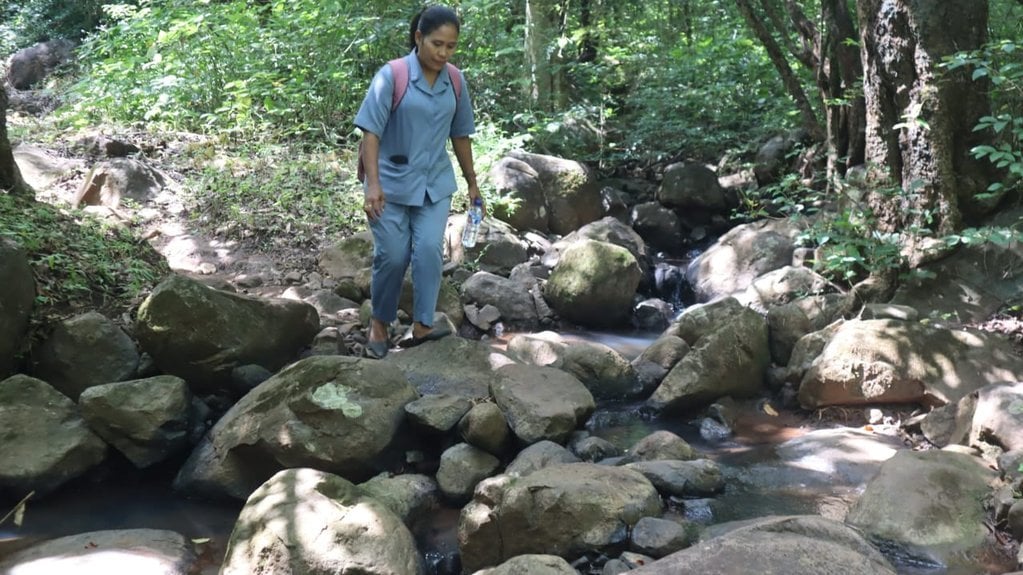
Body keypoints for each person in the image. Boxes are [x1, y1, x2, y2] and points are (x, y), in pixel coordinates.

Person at [354, 5, 482, 359]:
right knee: (393, 256)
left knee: (428, 251)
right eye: (437, 44)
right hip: (389, 183)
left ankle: (423, 324)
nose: (443, 53)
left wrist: (472, 183)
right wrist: (374, 185)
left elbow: (460, 135)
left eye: (451, 46)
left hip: (434, 183)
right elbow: (370, 132)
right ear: (418, 38)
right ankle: (380, 323)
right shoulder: (391, 76)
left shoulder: (455, 81)